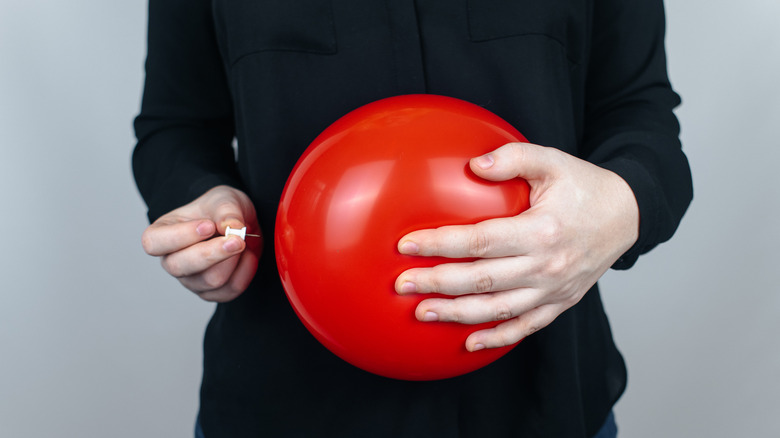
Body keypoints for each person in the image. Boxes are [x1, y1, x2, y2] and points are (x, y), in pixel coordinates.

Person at [133, 0, 692, 436]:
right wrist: (209, 209)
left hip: (545, 399)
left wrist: (622, 206)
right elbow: (176, 127)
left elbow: (640, 115)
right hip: (284, 402)